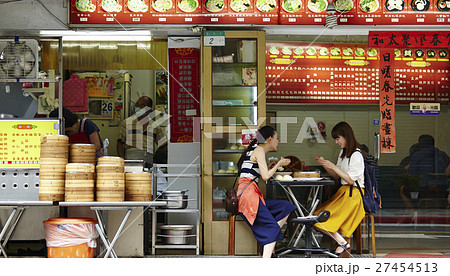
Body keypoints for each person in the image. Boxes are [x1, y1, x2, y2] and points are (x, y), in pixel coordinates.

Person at [236, 126, 296, 258]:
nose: (278, 141)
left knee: (286, 207)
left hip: (250, 195)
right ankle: (267, 258)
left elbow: (260, 173)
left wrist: (270, 168)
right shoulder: (259, 150)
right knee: (272, 228)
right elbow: (266, 177)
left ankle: (269, 247)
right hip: (249, 197)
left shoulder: (255, 150)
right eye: (277, 138)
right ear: (269, 139)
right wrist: (279, 163)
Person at [313, 121, 365, 258]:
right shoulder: (344, 153)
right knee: (317, 217)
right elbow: (337, 176)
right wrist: (326, 165)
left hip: (353, 195)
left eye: (337, 138)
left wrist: (333, 166)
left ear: (346, 136)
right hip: (345, 193)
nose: (336, 142)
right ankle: (342, 243)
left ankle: (342, 244)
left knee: (319, 217)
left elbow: (350, 179)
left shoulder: (356, 155)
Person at [117, 96, 165, 168]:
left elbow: (164, 145)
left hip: (148, 163)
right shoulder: (127, 123)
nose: (138, 107)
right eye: (137, 104)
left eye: (142, 105)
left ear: (149, 109)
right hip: (130, 162)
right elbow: (120, 143)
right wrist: (122, 160)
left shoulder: (155, 126)